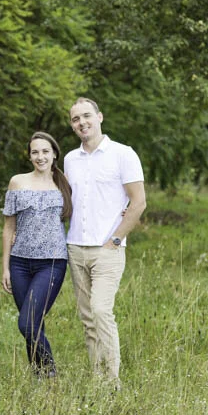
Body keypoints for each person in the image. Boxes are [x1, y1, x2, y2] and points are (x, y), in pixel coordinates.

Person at [64, 97, 146, 387]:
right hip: (76, 247)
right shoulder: (70, 159)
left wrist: (116, 239)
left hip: (107, 249)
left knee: (101, 310)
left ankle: (112, 381)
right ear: (72, 125)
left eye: (87, 116)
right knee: (88, 318)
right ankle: (97, 377)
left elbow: (138, 202)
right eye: (76, 119)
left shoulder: (123, 154)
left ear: (99, 117)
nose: (82, 122)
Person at [1, 132, 72, 378]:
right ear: (29, 156)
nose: (40, 157)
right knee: (33, 324)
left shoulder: (65, 183)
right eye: (35, 152)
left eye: (45, 151)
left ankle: (50, 372)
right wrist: (5, 267)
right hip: (19, 263)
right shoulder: (17, 182)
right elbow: (8, 227)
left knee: (27, 323)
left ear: (54, 154)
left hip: (51, 263)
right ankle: (39, 377)